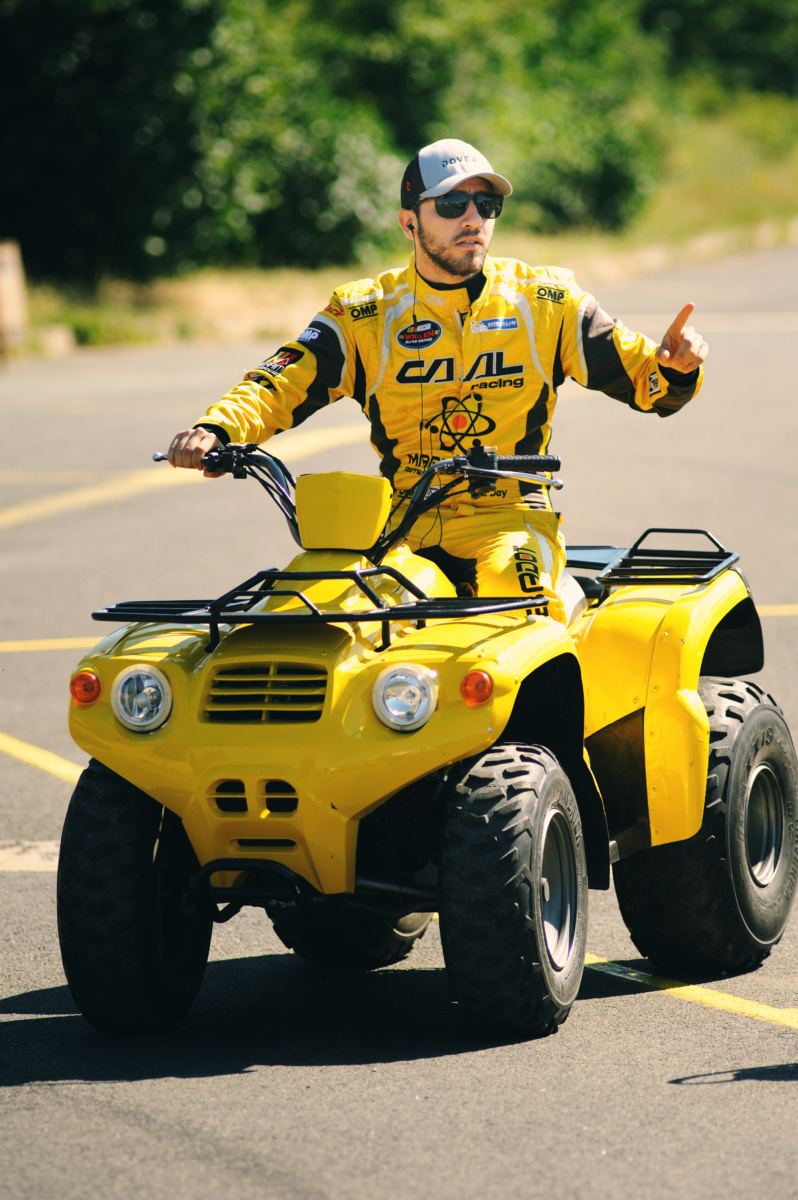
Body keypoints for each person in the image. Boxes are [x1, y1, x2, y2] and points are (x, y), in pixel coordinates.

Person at [168, 138, 707, 619]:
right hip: (402, 526)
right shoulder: (364, 313)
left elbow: (647, 382)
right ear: (409, 223)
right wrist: (217, 429)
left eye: (486, 205)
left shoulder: (547, 302)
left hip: (510, 521)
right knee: (329, 618)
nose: (473, 218)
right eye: (452, 205)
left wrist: (675, 369)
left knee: (517, 612)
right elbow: (279, 381)